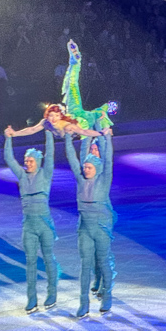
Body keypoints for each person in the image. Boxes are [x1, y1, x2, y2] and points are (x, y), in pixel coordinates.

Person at [3, 126, 59, 313]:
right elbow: (9, 159)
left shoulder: (45, 173)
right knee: (31, 262)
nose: (27, 163)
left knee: (49, 259)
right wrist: (9, 138)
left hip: (45, 224)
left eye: (31, 160)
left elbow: (50, 154)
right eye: (26, 160)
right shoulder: (21, 175)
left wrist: (49, 133)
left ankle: (52, 294)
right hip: (29, 226)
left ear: (38, 161)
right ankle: (32, 299)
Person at [64, 125, 115, 317]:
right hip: (85, 228)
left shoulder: (104, 179)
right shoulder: (81, 180)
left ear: (97, 168)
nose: (85, 169)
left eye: (89, 167)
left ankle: (107, 295)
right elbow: (71, 158)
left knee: (102, 261)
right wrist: (68, 138)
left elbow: (108, 160)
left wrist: (108, 138)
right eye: (84, 166)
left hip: (101, 227)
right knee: (86, 265)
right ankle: (83, 302)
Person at [80, 135, 116, 298]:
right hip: (87, 217)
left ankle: (105, 284)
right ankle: (98, 279)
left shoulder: (101, 170)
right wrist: (84, 133)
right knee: (91, 253)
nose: (94, 152)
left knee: (103, 253)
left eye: (96, 149)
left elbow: (108, 159)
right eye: (92, 149)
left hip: (103, 216)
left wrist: (105, 136)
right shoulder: (88, 167)